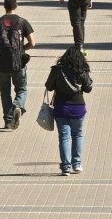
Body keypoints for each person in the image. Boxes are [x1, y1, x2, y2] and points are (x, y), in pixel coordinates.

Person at [0, 0, 36, 130]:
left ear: (4, 6)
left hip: (2, 64)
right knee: (22, 89)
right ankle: (18, 106)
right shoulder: (22, 22)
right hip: (18, 62)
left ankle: (8, 120)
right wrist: (21, 49)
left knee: (5, 93)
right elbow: (33, 43)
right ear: (16, 6)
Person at [45, 46, 93, 176]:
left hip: (61, 107)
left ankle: (66, 167)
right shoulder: (81, 70)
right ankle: (76, 164)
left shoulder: (57, 70)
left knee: (64, 137)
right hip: (78, 107)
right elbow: (88, 88)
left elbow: (48, 86)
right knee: (77, 134)